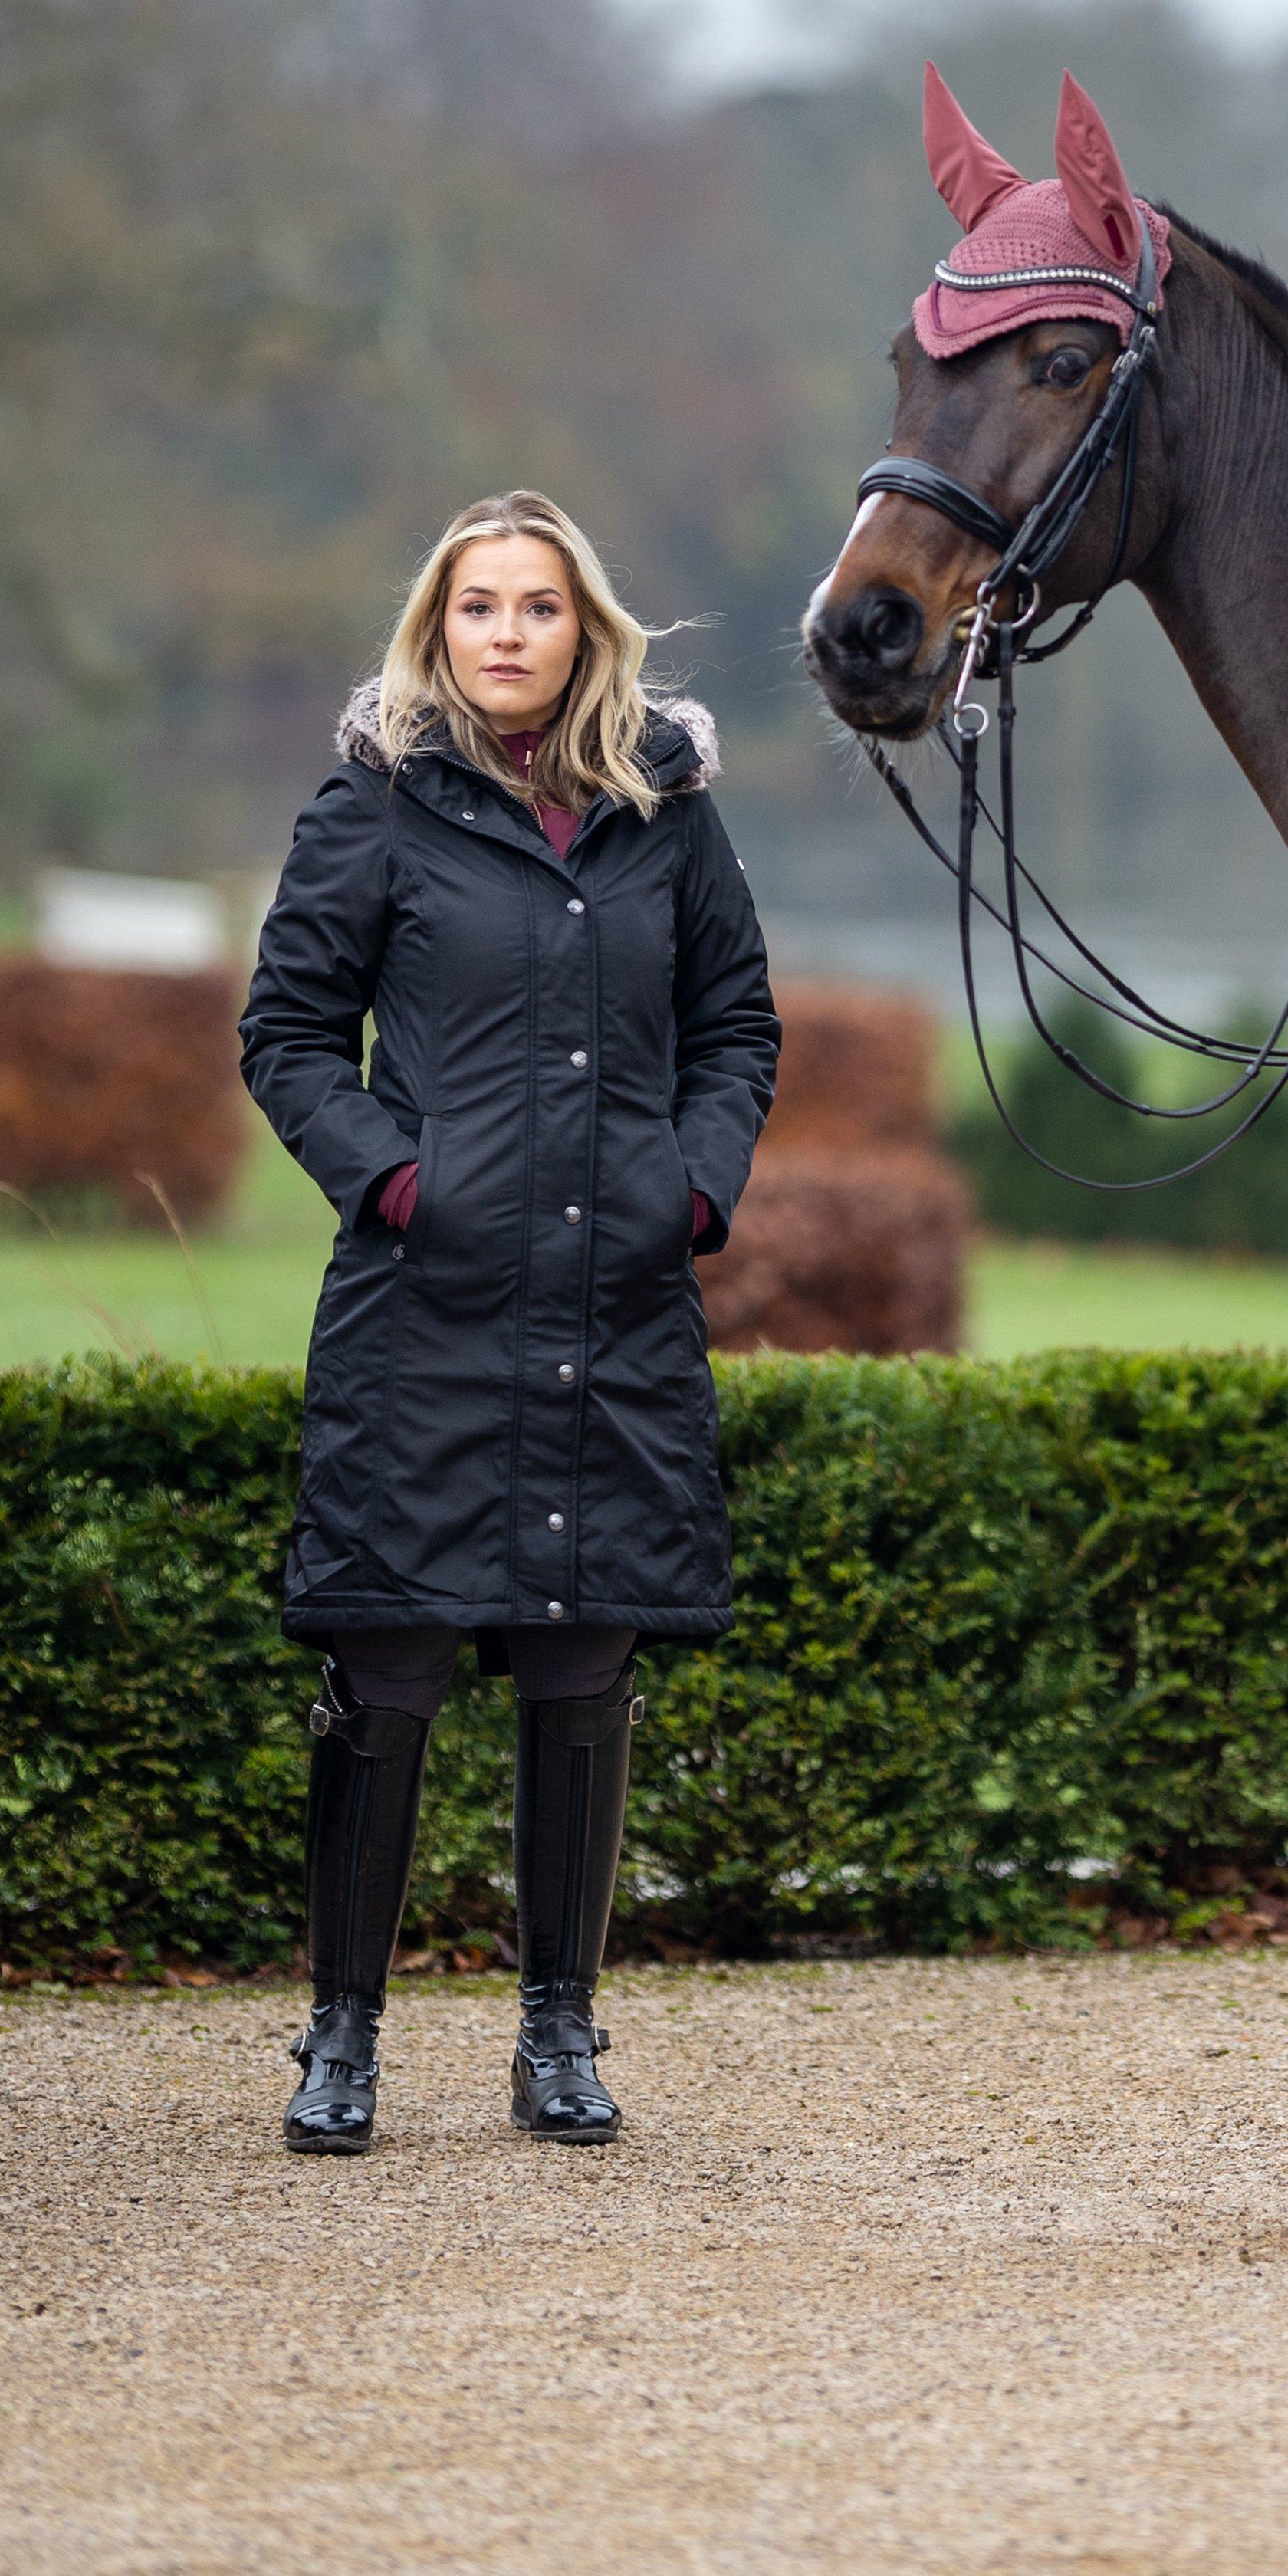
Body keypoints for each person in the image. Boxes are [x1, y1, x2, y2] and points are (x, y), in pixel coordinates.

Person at [241, 490, 779, 2154]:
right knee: (383, 1665)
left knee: (580, 1662)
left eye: (537, 605)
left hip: (612, 1310)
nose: (507, 632)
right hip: (427, 1310)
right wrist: (403, 1185)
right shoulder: (373, 809)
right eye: (478, 605)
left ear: (584, 628)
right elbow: (286, 1035)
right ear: (438, 628)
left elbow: (737, 1025)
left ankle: (559, 2031)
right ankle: (343, 2035)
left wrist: (688, 1188)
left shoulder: (665, 817)